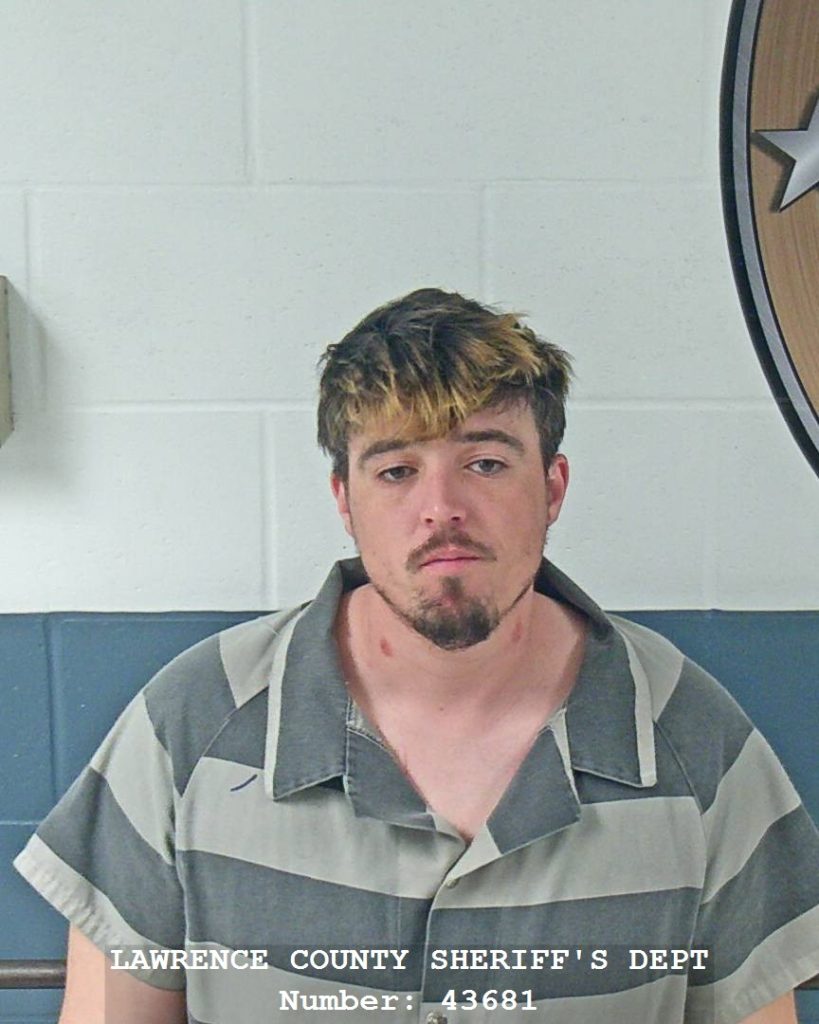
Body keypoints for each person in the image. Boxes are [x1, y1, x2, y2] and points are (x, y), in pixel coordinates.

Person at [14, 288, 819, 1023]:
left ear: (552, 489)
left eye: (485, 463)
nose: (442, 509)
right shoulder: (190, 724)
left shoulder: (691, 735)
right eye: (397, 470)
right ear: (344, 500)